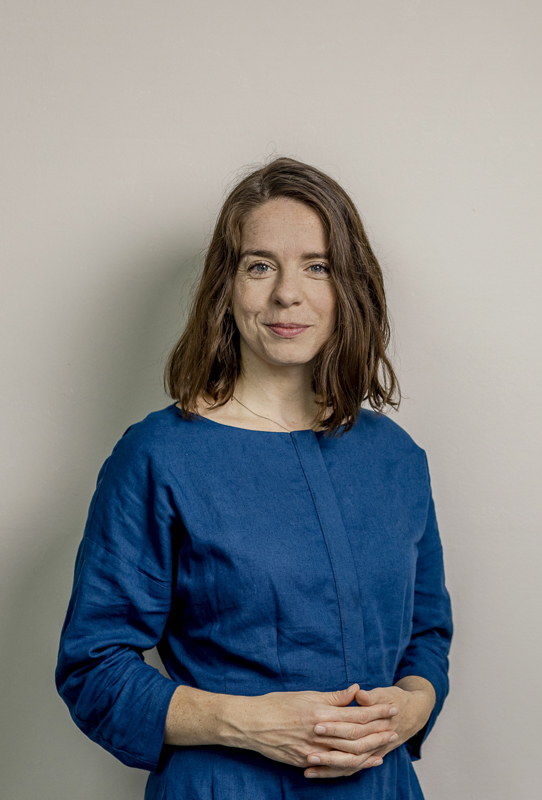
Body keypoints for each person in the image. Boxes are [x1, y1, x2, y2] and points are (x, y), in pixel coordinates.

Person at [55, 157, 453, 799]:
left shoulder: (397, 458)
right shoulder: (160, 455)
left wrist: (411, 707)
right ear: (227, 287)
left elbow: (427, 635)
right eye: (260, 266)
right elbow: (93, 668)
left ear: (349, 288)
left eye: (317, 267)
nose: (287, 294)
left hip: (380, 787)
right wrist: (247, 723)